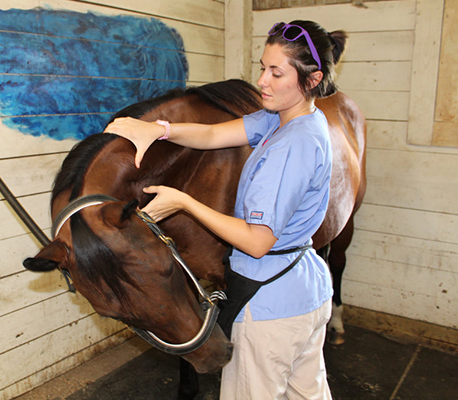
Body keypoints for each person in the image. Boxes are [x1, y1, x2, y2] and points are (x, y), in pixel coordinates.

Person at [105, 20, 347, 400]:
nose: (262, 81)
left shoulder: (292, 146)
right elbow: (215, 134)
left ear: (312, 80)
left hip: (271, 304)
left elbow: (256, 242)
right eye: (263, 67)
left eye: (276, 72)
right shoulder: (286, 119)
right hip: (305, 289)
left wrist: (184, 202)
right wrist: (160, 130)